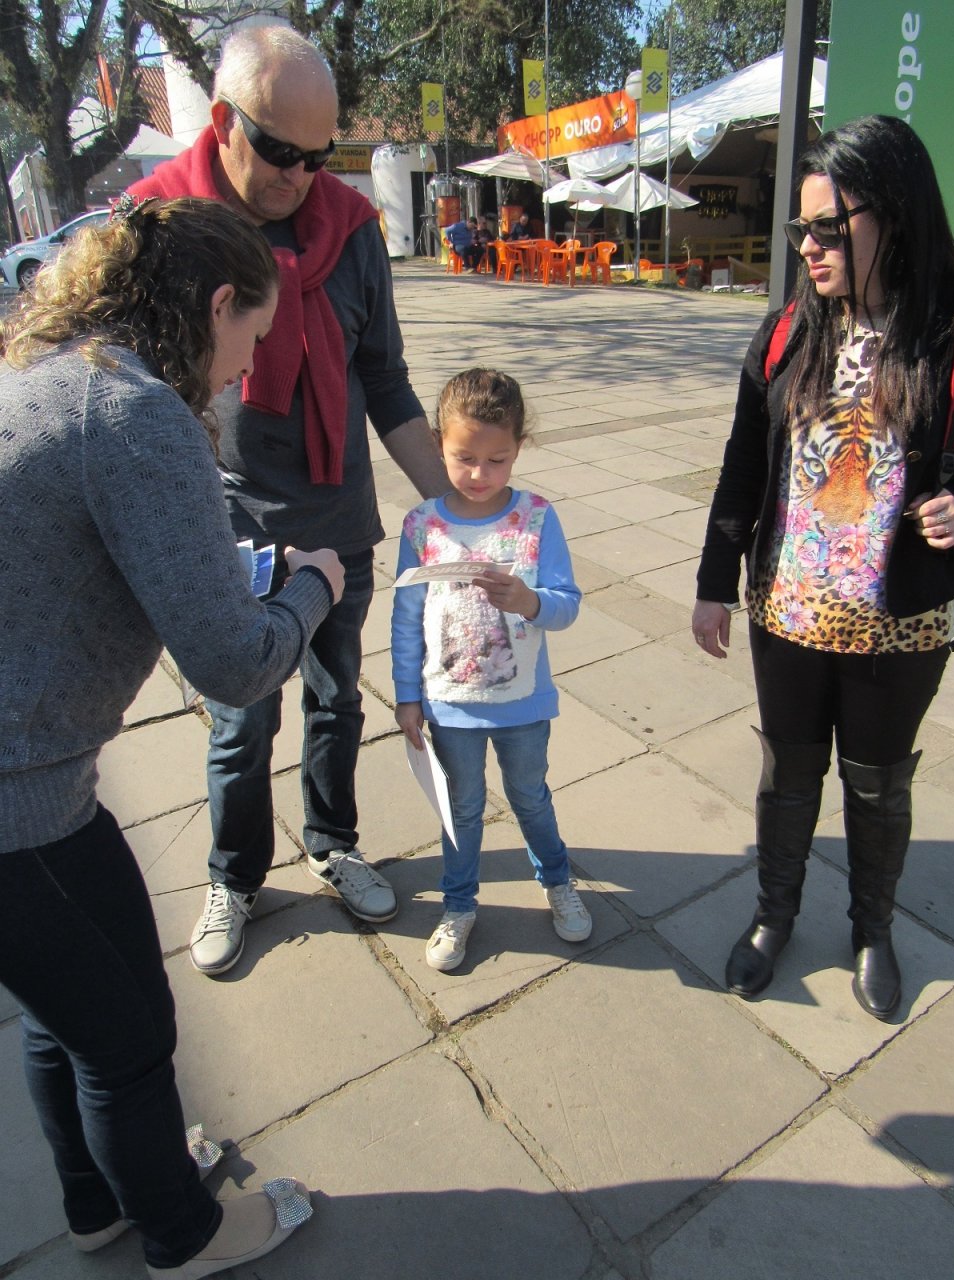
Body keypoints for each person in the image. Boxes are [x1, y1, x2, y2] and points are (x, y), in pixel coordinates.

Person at [0, 197, 334, 1277]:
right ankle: (185, 1233)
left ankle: (99, 1199)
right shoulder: (133, 410)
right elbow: (235, 663)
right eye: (251, 339)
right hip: (20, 809)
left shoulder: (54, 370)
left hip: (30, 787)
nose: (248, 371)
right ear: (217, 304)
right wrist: (315, 590)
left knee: (64, 1016)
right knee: (131, 1037)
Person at [128, 25, 450, 977]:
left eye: (320, 155)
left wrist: (458, 509)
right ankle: (235, 875)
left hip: (338, 523)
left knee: (338, 701)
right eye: (279, 152)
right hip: (228, 533)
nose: (300, 177)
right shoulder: (162, 227)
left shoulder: (352, 230)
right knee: (242, 720)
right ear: (224, 121)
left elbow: (386, 382)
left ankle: (333, 843)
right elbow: (134, 400)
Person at [692, 115, 954, 1021]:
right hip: (789, 613)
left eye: (826, 228)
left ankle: (872, 930)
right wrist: (713, 584)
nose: (806, 246)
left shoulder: (948, 340)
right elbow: (741, 466)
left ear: (892, 215)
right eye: (799, 228)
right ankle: (774, 917)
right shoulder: (785, 334)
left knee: (879, 785)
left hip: (901, 624)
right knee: (788, 775)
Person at [391, 368, 591, 971]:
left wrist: (530, 601)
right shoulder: (421, 526)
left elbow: (567, 605)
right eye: (464, 458)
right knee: (462, 809)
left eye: (496, 460)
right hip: (449, 706)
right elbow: (406, 617)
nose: (480, 474)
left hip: (523, 705)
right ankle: (458, 906)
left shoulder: (536, 517)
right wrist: (406, 696)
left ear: (519, 448)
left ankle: (557, 881)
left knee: (530, 797)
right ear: (438, 445)